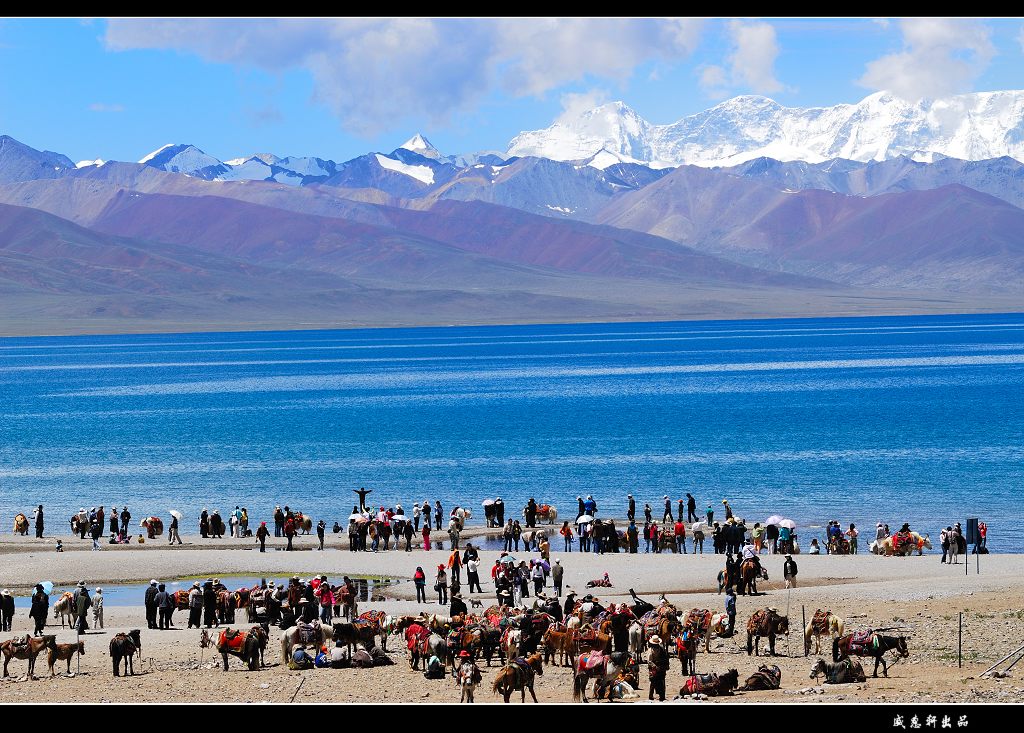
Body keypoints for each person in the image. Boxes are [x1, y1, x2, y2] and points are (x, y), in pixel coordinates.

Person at [647, 635, 668, 702]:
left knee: (662, 680)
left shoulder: (661, 649)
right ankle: (651, 695)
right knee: (653, 681)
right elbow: (649, 661)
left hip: (661, 666)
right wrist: (655, 667)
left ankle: (662, 695)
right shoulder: (650, 651)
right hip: (654, 668)